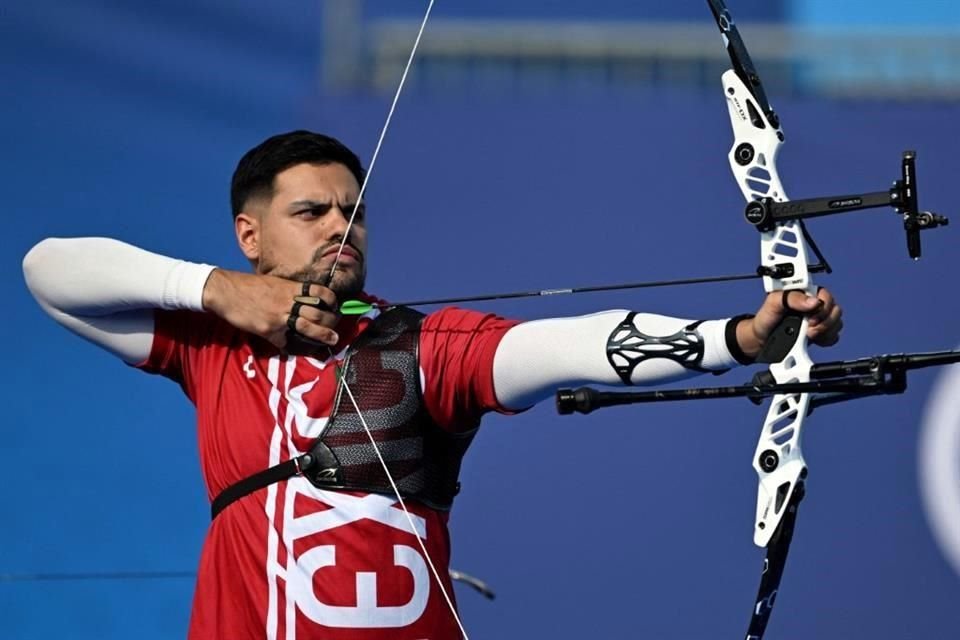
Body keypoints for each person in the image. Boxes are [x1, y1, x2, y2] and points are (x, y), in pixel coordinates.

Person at [21, 130, 842, 639]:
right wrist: (220, 291)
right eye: (312, 212)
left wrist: (736, 337)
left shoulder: (417, 346)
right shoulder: (209, 343)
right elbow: (47, 269)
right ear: (251, 234)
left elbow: (564, 347)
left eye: (355, 211)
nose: (342, 225)